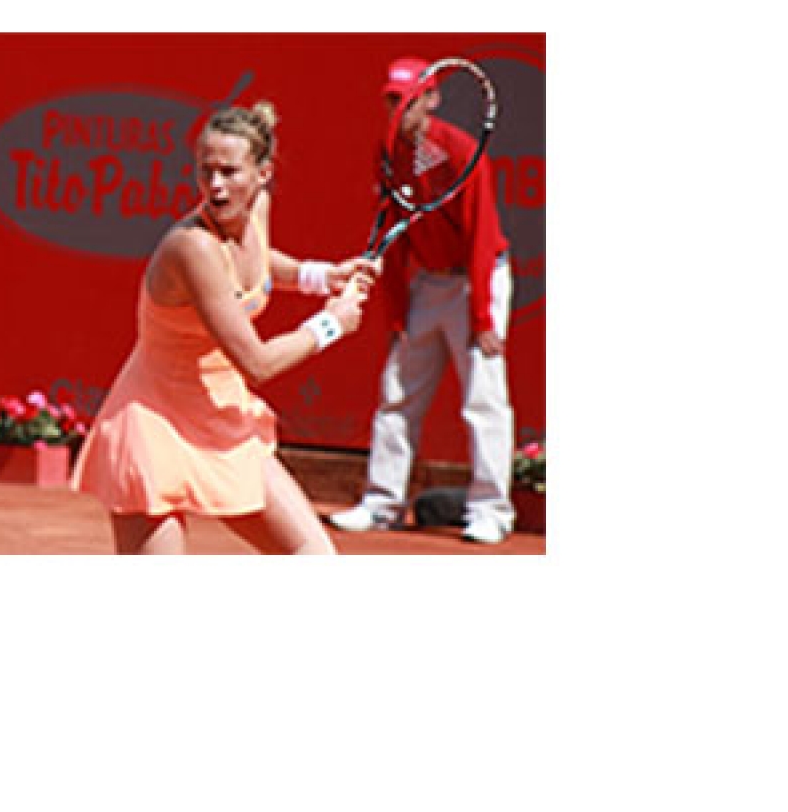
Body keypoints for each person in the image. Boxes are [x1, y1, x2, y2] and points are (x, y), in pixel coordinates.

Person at [71, 101, 381, 555]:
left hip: (221, 415)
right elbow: (257, 363)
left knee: (314, 556)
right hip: (153, 425)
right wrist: (331, 324)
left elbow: (256, 263)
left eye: (230, 172)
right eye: (206, 170)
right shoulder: (192, 249)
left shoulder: (257, 212)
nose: (215, 185)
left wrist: (319, 276)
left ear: (263, 174)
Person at [327, 56, 517, 544]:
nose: (399, 109)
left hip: (478, 280)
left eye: (408, 100)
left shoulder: (461, 152)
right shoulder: (389, 152)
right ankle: (381, 504)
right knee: (397, 394)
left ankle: (492, 511)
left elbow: (480, 237)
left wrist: (482, 317)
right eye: (392, 100)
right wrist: (396, 313)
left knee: (483, 399)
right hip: (429, 285)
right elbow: (395, 238)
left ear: (432, 100)